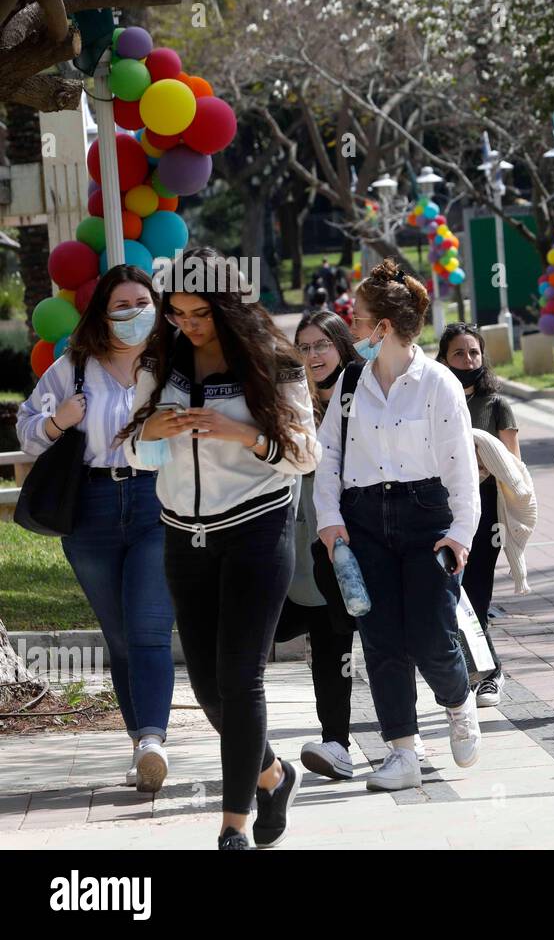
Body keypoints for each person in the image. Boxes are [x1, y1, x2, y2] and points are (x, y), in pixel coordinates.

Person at [120, 248, 320, 850]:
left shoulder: (275, 358)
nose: (188, 324)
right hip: (183, 532)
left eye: (200, 313)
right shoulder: (160, 357)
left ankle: (233, 826)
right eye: (177, 313)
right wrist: (152, 430)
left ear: (229, 305)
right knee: (208, 689)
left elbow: (305, 453)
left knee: (241, 678)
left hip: (258, 527)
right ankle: (272, 775)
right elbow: (130, 448)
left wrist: (242, 434)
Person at [313, 259, 483, 793]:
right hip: (363, 522)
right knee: (381, 639)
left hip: (427, 518)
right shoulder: (348, 383)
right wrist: (330, 523)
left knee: (432, 636)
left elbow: (461, 468)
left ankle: (458, 702)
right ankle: (402, 751)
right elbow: (327, 459)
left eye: (358, 318)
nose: (352, 326)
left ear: (383, 327)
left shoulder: (437, 384)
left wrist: (462, 535)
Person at [17, 265, 175, 793]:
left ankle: (154, 739)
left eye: (143, 303)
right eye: (122, 306)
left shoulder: (175, 364)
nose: (134, 314)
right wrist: (58, 420)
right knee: (121, 636)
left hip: (158, 501)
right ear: (102, 315)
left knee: (150, 628)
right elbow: (27, 427)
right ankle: (138, 746)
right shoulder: (73, 368)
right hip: (91, 507)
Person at [273, 311, 362, 780]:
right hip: (297, 541)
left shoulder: (363, 397)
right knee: (262, 640)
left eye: (321, 345)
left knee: (347, 646)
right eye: (304, 348)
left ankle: (346, 743)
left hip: (351, 539)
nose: (313, 356)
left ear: (342, 345)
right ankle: (329, 744)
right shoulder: (290, 402)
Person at [436, 323, 519, 708]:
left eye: (474, 353)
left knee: (476, 595)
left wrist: (485, 467)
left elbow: (513, 466)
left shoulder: (496, 404)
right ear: (443, 357)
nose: (467, 360)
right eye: (458, 353)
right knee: (450, 595)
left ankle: (490, 674)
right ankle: (476, 670)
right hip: (440, 511)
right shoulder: (433, 400)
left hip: (486, 513)